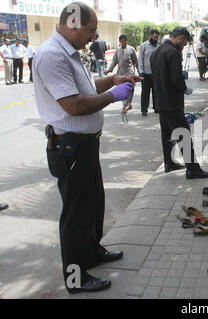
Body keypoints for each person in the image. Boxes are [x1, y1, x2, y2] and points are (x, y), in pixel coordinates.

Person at [33, 1, 142, 294]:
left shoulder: (70, 53)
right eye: (91, 30)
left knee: (93, 204)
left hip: (84, 146)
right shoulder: (51, 56)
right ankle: (75, 277)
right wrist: (114, 96)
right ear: (72, 24)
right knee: (76, 215)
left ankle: (91, 253)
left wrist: (112, 80)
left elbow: (86, 88)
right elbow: (73, 104)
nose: (94, 37)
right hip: (69, 148)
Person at [151, 27, 208, 179]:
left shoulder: (157, 51)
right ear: (179, 37)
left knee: (167, 134)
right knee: (183, 133)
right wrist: (184, 88)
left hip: (160, 101)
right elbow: (176, 79)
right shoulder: (172, 53)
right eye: (184, 42)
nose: (184, 46)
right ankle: (193, 169)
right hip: (172, 102)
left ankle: (169, 163)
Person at [105, 34, 139, 114]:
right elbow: (114, 61)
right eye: (122, 41)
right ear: (120, 42)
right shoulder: (118, 50)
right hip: (121, 74)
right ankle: (125, 106)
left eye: (125, 41)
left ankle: (129, 103)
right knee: (124, 90)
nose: (123, 43)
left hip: (130, 73)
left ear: (127, 41)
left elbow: (136, 62)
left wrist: (139, 72)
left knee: (131, 90)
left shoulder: (131, 49)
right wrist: (109, 70)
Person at [139, 29, 160, 116]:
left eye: (157, 38)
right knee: (145, 92)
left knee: (156, 92)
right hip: (145, 74)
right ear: (150, 35)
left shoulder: (158, 47)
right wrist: (141, 72)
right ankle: (144, 109)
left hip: (155, 74)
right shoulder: (143, 46)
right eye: (154, 37)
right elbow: (140, 59)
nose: (155, 39)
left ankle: (156, 108)